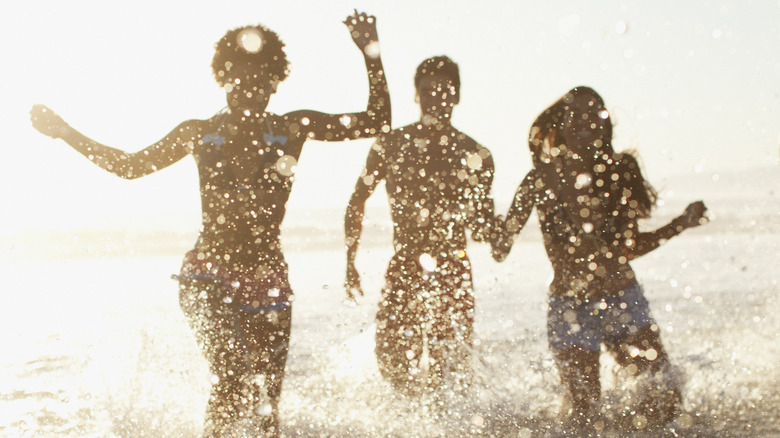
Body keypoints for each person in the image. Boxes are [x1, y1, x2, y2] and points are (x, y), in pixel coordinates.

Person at [30, 11, 390, 437]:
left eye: (260, 81)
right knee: (234, 379)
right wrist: (65, 132)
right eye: (239, 79)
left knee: (266, 406)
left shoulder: (294, 127)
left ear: (276, 81)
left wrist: (369, 50)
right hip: (208, 273)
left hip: (268, 279)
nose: (249, 90)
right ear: (223, 78)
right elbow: (128, 166)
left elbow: (377, 121)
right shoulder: (199, 133)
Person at [491, 86, 708, 429]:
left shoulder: (619, 172)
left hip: (622, 299)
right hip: (570, 307)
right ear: (560, 124)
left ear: (606, 125)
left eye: (595, 115)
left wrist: (680, 224)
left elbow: (629, 248)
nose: (586, 122)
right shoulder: (539, 179)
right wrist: (480, 214)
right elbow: (500, 248)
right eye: (576, 114)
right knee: (583, 416)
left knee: (666, 402)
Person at [344, 56, 497, 396]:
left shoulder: (475, 154)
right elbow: (357, 200)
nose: (437, 98)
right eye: (428, 91)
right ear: (416, 96)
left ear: (456, 96)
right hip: (404, 264)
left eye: (445, 91)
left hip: (453, 268)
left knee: (450, 367)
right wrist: (349, 261)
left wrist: (501, 227)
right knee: (391, 357)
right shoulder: (391, 145)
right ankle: (410, 420)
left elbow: (483, 227)